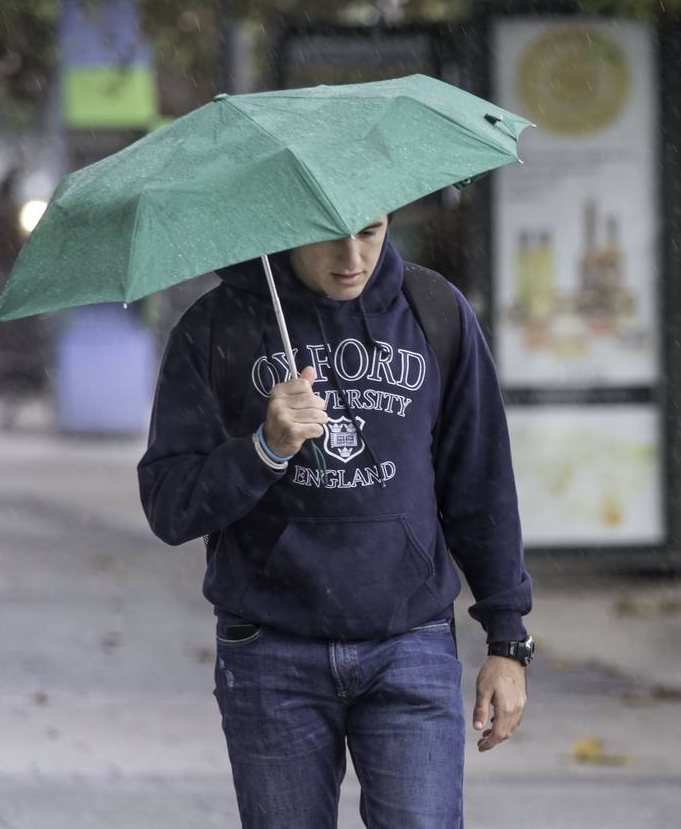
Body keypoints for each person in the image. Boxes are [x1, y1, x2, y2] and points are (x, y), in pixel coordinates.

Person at [138, 213, 533, 828]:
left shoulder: (434, 311)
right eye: (327, 233)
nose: (353, 256)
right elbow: (168, 504)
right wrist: (263, 449)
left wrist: (508, 642)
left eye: (370, 232)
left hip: (411, 643)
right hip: (270, 649)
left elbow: (481, 483)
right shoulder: (218, 326)